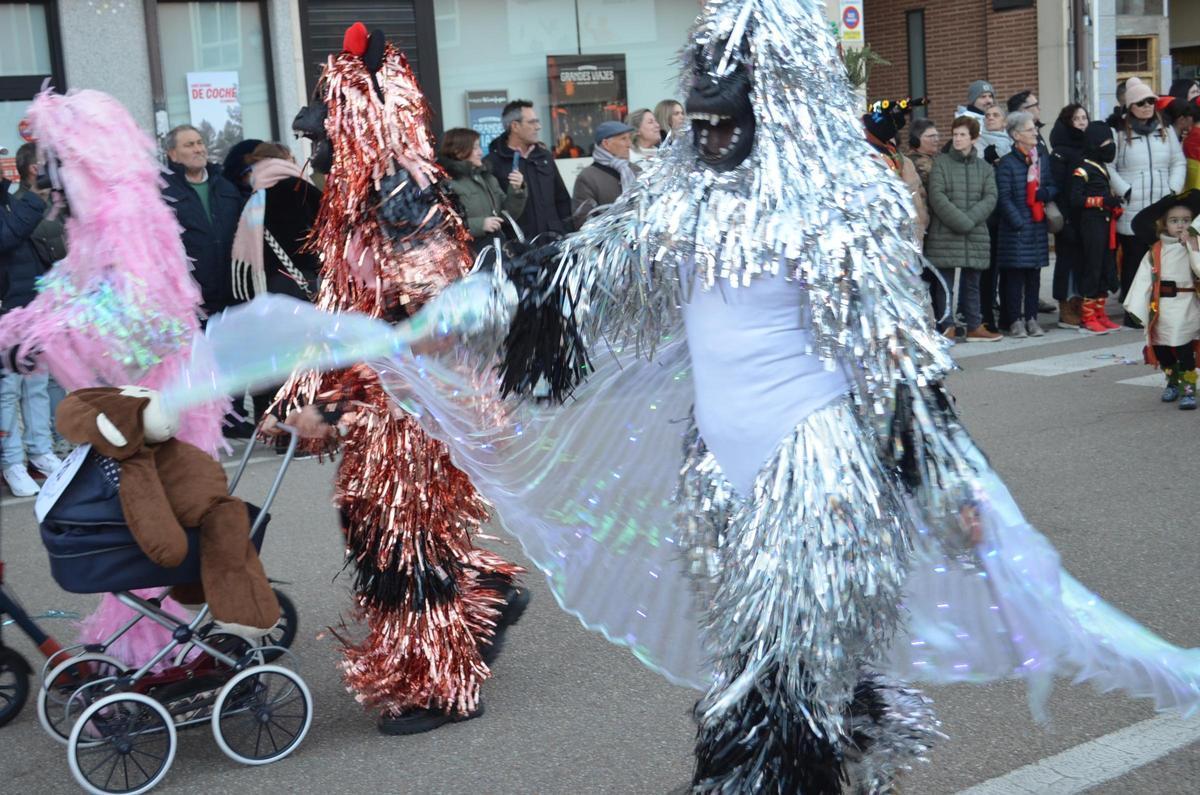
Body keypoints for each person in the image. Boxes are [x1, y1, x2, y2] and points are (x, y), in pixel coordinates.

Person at [198, 5, 1200, 791]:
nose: (712, 136)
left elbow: (895, 363)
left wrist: (944, 485)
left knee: (776, 692)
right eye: (704, 121)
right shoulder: (681, 198)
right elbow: (583, 280)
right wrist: (473, 307)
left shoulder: (838, 201)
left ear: (779, 103)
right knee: (780, 680)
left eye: (731, 122)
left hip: (816, 480)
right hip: (721, 479)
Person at [270, 24, 526, 737]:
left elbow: (430, 328)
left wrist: (341, 396)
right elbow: (341, 317)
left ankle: (445, 686)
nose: (314, 152)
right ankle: (487, 589)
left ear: (361, 129)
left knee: (403, 544)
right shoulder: (356, 206)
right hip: (379, 407)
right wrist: (307, 396)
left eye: (323, 138)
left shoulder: (402, 200)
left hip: (412, 408)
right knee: (385, 538)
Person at [226, 142, 324, 423]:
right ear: (287, 159)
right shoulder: (305, 189)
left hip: (270, 287)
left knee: (274, 356)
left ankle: (275, 424)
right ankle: (307, 425)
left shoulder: (256, 198)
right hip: (307, 282)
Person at [0, 143, 62, 495]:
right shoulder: (19, 200)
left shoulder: (10, 197)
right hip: (5, 308)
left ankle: (41, 451)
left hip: (30, 303)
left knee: (36, 382)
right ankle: (11, 461)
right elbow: (6, 237)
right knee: (8, 389)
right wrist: (35, 199)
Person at [1110, 77, 1186, 319]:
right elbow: (1109, 167)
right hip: (1134, 207)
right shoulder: (1119, 133)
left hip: (1161, 206)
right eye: (1141, 102)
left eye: (1151, 101)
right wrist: (1126, 191)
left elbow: (1178, 161)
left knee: (1161, 260)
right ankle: (1134, 312)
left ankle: (1158, 310)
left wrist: (1172, 189)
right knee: (1134, 261)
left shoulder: (1165, 130)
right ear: (1130, 105)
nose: (1147, 106)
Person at [926, 116, 1000, 342]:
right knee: (944, 286)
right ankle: (947, 326)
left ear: (974, 139)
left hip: (974, 233)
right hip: (946, 232)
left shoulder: (984, 167)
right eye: (955, 134)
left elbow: (990, 197)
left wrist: (969, 221)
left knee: (972, 284)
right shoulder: (941, 163)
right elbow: (937, 196)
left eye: (962, 135)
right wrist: (962, 221)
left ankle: (974, 325)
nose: (957, 139)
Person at [1124, 192, 1200, 409]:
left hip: (1186, 304)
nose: (1180, 225)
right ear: (1164, 224)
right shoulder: (1156, 249)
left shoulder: (1194, 244)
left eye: (1186, 221)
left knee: (1184, 347)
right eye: (1174, 221)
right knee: (1162, 348)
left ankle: (1188, 388)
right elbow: (1143, 278)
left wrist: (1192, 245)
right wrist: (1137, 306)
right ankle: (1171, 381)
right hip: (1162, 306)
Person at [161, 125, 245, 318]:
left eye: (200, 143)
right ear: (173, 154)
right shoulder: (164, 192)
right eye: (189, 145)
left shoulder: (225, 186)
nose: (198, 149)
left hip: (233, 296)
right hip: (192, 303)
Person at [996, 110, 1056, 337]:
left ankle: (1032, 318)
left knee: (1033, 277)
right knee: (1014, 278)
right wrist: (1018, 222)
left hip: (1037, 224)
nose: (1035, 132)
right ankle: (1015, 320)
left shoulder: (1040, 157)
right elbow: (1004, 197)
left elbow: (1052, 185)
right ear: (1016, 135)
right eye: (1030, 129)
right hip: (1017, 229)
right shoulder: (1008, 163)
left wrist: (1044, 193)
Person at [484, 99, 573, 238]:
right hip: (518, 247)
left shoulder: (544, 156)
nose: (538, 127)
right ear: (515, 126)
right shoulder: (492, 162)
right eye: (532, 122)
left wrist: (566, 232)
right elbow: (494, 210)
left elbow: (562, 199)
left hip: (554, 242)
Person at [1069, 122, 1124, 335]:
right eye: (1106, 142)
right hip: (1091, 223)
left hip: (1106, 223)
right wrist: (1102, 201)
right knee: (1092, 267)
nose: (1110, 146)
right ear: (1094, 143)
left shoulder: (1101, 166)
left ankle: (1101, 313)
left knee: (1104, 266)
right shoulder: (1082, 169)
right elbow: (1075, 199)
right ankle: (1088, 315)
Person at [438, 127, 526, 253]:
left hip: (496, 249)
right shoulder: (447, 183)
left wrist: (517, 191)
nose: (480, 152)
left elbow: (506, 215)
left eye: (479, 147)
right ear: (458, 152)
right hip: (468, 255)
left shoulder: (487, 177)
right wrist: (479, 225)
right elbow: (443, 224)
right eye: (475, 148)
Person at [863, 97, 929, 247]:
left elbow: (920, 198)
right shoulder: (859, 158)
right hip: (876, 248)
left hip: (906, 249)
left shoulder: (904, 162)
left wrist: (921, 223)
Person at [1049, 104, 1090, 328]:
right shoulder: (1060, 151)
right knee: (1066, 262)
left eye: (1084, 117)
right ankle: (1065, 306)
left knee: (1083, 261)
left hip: (1087, 213)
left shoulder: (1089, 146)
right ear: (1068, 121)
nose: (1082, 122)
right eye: (1077, 118)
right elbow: (1057, 186)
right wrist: (1065, 218)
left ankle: (1080, 302)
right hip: (1067, 215)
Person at [572, 120, 637, 216]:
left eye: (629, 138)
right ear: (606, 144)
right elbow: (583, 218)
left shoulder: (636, 170)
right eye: (623, 139)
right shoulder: (587, 177)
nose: (629, 144)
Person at [907, 118, 939, 197]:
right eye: (931, 136)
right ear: (916, 140)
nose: (936, 140)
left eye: (937, 136)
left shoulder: (934, 159)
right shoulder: (913, 162)